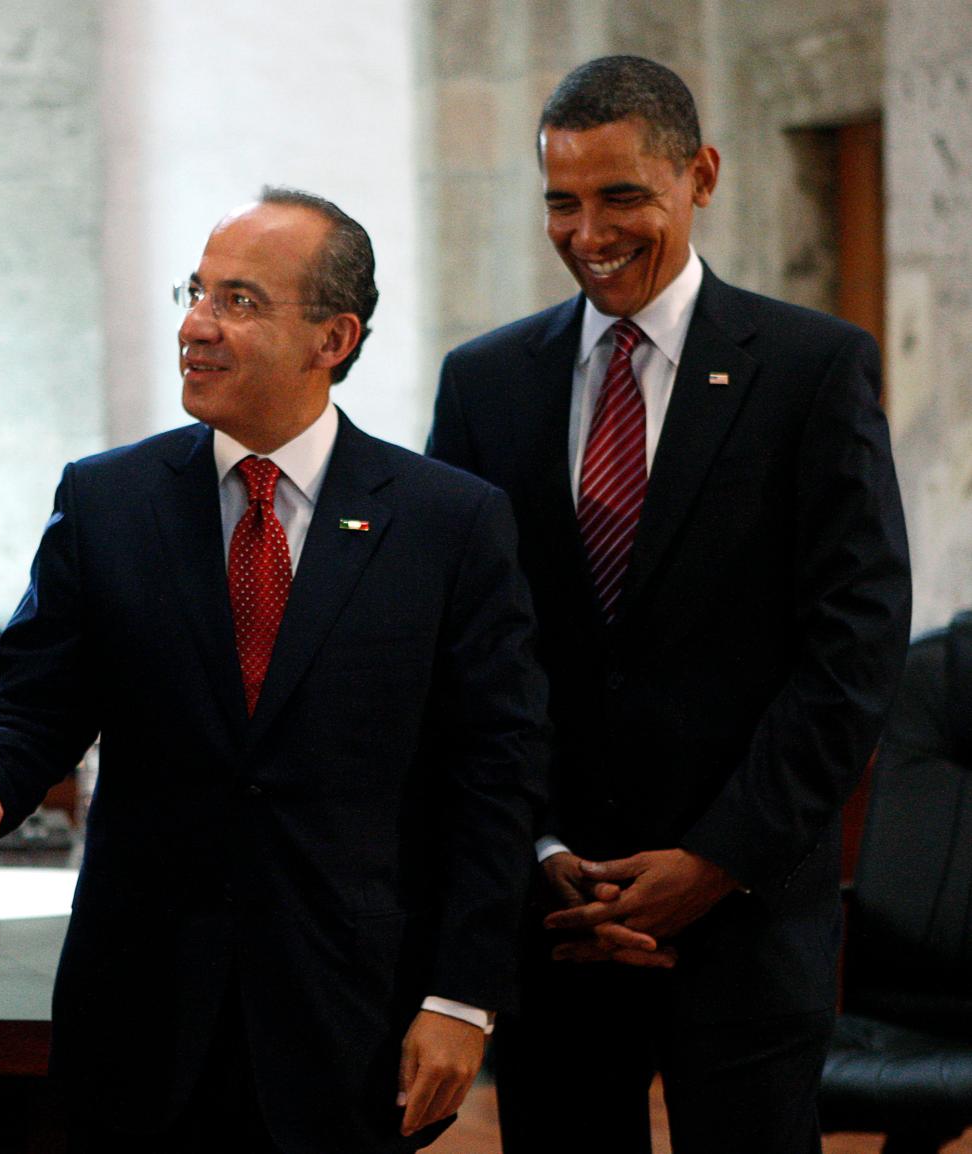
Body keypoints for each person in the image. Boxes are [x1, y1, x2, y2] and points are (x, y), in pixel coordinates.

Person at [0, 187, 548, 1153]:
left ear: (332, 338)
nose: (196, 324)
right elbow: (34, 712)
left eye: (239, 301)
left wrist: (462, 996)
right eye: (196, 292)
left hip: (347, 1013)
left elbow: (494, 776)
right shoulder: (110, 502)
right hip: (138, 1007)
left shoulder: (448, 523)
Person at [426, 55, 912, 1154]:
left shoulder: (813, 369)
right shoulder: (486, 382)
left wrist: (714, 859)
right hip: (556, 920)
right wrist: (541, 844)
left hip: (744, 919)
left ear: (701, 175)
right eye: (562, 199)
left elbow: (855, 646)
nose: (587, 229)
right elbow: (463, 650)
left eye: (621, 195)